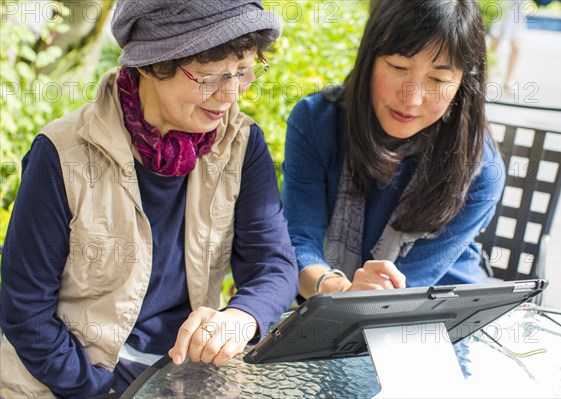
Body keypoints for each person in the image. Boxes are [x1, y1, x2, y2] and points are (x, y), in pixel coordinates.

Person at [0, 1, 298, 397]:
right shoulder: (61, 152)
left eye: (242, 72)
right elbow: (25, 311)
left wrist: (242, 317)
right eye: (211, 78)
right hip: (71, 380)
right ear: (151, 64)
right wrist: (100, 391)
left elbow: (273, 263)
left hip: (185, 376)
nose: (229, 95)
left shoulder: (241, 143)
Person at [282, 0, 506, 300]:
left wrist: (354, 300)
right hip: (323, 306)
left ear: (463, 85)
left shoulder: (479, 171)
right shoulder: (316, 122)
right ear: (369, 58)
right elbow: (298, 240)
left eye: (438, 79)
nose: (411, 99)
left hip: (438, 314)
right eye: (398, 67)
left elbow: (405, 295)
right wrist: (340, 290)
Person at [489, 0, 529, 89]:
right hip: (502, 7)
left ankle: (508, 80)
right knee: (494, 44)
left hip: (518, 12)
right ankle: (488, 76)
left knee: (516, 47)